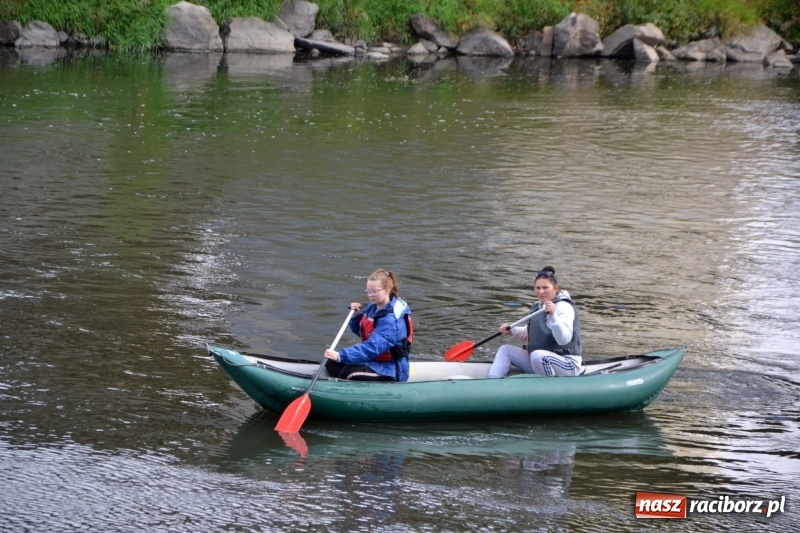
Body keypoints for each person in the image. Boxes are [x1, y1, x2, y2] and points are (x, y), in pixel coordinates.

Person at [488, 266, 582, 377]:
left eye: (545, 287)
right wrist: (511, 331)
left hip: (568, 364)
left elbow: (563, 340)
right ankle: (492, 382)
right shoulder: (537, 306)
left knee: (537, 355)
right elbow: (530, 333)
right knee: (505, 350)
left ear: (555, 288)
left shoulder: (564, 307)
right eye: (538, 288)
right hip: (541, 360)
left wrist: (553, 316)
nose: (541, 292)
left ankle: (550, 389)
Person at [324, 269, 413, 382]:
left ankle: (346, 390)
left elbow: (372, 347)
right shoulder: (373, 307)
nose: (370, 295)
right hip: (373, 360)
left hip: (390, 368)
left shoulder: (392, 321)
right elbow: (361, 331)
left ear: (387, 290)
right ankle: (339, 385)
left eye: (374, 291)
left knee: (349, 373)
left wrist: (341, 355)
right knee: (331, 362)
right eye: (368, 291)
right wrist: (355, 316)